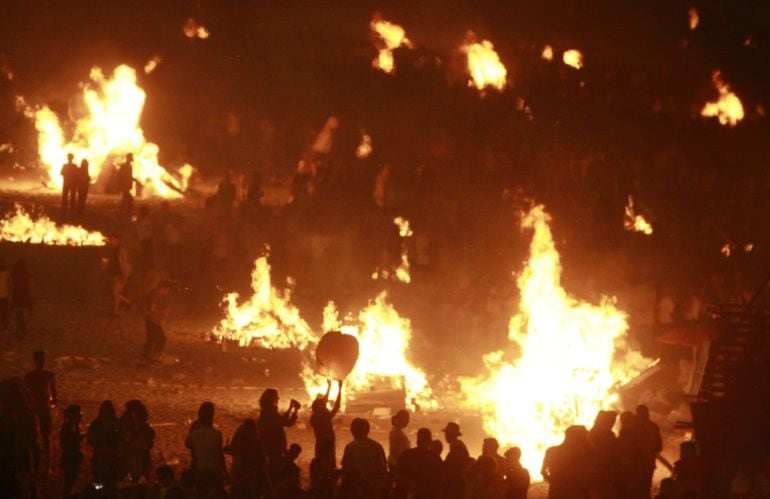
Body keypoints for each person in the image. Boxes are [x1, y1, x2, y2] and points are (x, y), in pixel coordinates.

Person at [258, 388, 300, 483]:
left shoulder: (266, 412)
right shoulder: (270, 413)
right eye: (276, 397)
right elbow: (288, 423)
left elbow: (280, 420)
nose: (278, 398)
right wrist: (296, 410)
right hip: (275, 448)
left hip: (270, 447)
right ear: (272, 399)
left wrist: (290, 409)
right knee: (277, 474)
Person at [24, 350, 57, 471]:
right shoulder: (34, 376)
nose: (41, 362)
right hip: (35, 407)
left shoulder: (47, 375)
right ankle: (38, 463)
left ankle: (47, 464)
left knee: (45, 435)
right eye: (40, 360)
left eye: (42, 360)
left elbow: (54, 393)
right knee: (35, 435)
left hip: (41, 407)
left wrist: (52, 401)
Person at [340, 418, 387, 499]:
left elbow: (346, 470)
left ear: (352, 431)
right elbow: (383, 468)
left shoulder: (350, 447)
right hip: (374, 488)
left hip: (357, 489)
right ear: (367, 431)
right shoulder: (376, 446)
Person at [185, 402, 226, 493]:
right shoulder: (217, 434)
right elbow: (220, 455)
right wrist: (225, 472)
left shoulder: (195, 431)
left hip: (200, 468)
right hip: (215, 469)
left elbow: (188, 444)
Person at [542, 425, 592, 499]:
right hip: (572, 493)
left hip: (556, 492)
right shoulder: (580, 456)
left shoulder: (551, 451)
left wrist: (554, 481)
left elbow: (543, 472)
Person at [226, 418, 269, 499]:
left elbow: (229, 450)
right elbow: (263, 463)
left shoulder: (237, 444)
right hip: (251, 480)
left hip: (237, 478)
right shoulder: (257, 444)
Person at [396, 427, 444, 499]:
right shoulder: (435, 458)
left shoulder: (406, 455)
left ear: (418, 439)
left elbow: (398, 476)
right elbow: (441, 481)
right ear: (429, 441)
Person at [86, 400, 122, 496]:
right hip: (100, 457)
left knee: (110, 481)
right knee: (98, 480)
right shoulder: (96, 424)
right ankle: (97, 495)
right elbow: (90, 439)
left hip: (111, 457)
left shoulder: (116, 423)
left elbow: (122, 438)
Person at [310, 379, 343, 466]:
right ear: (321, 408)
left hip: (319, 443)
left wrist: (329, 387)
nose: (325, 407)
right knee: (330, 462)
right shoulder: (325, 416)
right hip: (328, 443)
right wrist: (340, 389)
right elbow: (337, 406)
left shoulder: (314, 418)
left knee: (319, 462)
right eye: (324, 406)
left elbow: (323, 402)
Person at [121, 400, 155, 483]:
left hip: (138, 451)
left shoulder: (133, 418)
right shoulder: (130, 418)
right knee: (138, 474)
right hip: (135, 452)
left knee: (140, 474)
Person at [141, 280, 171, 362]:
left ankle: (144, 358)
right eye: (168, 290)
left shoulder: (157, 294)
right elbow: (152, 309)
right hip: (152, 321)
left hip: (152, 320)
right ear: (164, 288)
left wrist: (163, 312)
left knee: (150, 340)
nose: (167, 292)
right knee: (162, 340)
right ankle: (154, 358)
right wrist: (163, 311)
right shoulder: (155, 294)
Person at [636, 404, 662, 495]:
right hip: (649, 462)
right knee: (646, 487)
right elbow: (659, 447)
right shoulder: (654, 427)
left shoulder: (634, 428)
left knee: (637, 488)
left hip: (637, 464)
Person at [442, 422, 471, 499]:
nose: (445, 435)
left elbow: (451, 467)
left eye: (447, 433)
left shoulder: (457, 448)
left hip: (455, 484)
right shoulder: (458, 446)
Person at [60, 404, 83, 498]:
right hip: (70, 456)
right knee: (69, 481)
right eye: (79, 414)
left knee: (70, 481)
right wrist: (77, 438)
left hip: (72, 456)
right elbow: (65, 443)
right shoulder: (67, 426)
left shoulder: (70, 425)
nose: (81, 416)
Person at [106, 235, 132, 316]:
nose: (111, 241)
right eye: (110, 240)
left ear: (118, 240)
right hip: (116, 274)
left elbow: (124, 264)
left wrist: (124, 276)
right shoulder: (115, 250)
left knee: (115, 293)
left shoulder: (121, 250)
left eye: (113, 240)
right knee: (116, 293)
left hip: (120, 274)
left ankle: (128, 302)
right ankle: (116, 311)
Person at [10, 258, 33, 337]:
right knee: (23, 312)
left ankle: (20, 329)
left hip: (17, 293)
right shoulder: (27, 273)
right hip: (25, 293)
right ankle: (22, 329)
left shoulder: (15, 273)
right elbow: (30, 284)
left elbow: (11, 283)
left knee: (18, 312)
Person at [388, 409, 411, 474]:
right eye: (406, 419)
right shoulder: (396, 432)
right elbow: (394, 451)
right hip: (397, 464)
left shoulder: (399, 431)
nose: (407, 422)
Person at [61, 153, 78, 217]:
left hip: (66, 183)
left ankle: (63, 210)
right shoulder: (74, 166)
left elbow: (62, 173)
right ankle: (72, 210)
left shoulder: (65, 166)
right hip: (72, 184)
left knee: (65, 197)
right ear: (72, 158)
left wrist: (66, 178)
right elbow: (77, 175)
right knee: (72, 197)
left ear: (67, 158)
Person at [118, 153, 135, 218]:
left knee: (126, 198)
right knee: (128, 197)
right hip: (125, 185)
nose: (132, 158)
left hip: (126, 185)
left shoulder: (128, 166)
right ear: (129, 158)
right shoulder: (125, 166)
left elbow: (128, 176)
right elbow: (122, 176)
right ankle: (125, 211)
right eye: (131, 157)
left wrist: (133, 179)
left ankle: (123, 211)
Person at [0, 258, 10, 333]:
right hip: (5, 294)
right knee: (4, 311)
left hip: (4, 294)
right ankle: (5, 326)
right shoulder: (7, 273)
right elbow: (9, 284)